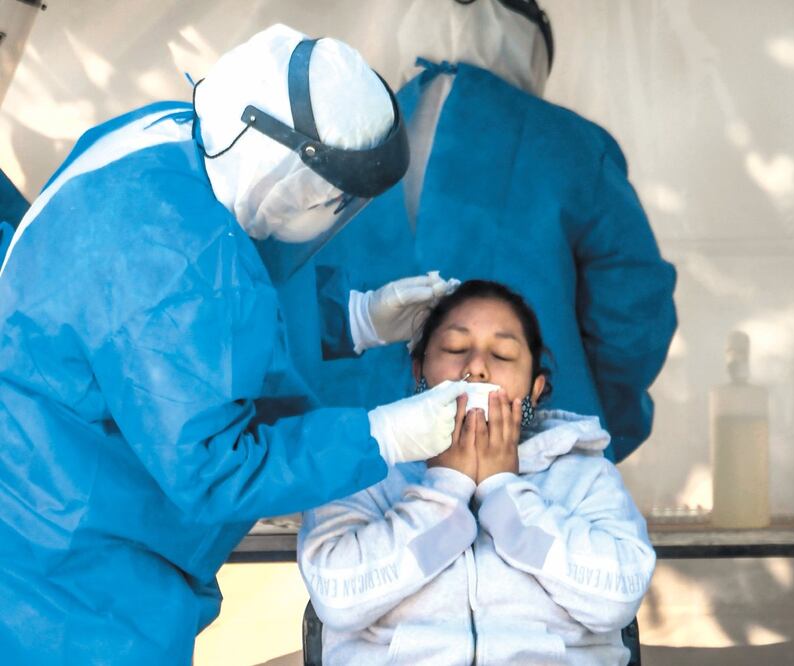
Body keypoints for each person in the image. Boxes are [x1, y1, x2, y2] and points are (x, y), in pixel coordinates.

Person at [0, 25, 468, 664]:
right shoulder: (171, 261)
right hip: (71, 565)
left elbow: (227, 312)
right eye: (332, 197)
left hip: (65, 492)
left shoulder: (179, 140)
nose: (334, 211)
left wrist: (354, 318)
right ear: (281, 162)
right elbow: (214, 467)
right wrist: (379, 438)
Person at [314, 0, 678, 462]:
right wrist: (593, 421)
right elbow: (633, 314)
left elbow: (292, 304)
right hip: (534, 458)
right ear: (529, 46)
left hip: (360, 457)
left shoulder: (340, 150)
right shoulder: (570, 146)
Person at [300, 280, 656, 665]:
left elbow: (617, 597)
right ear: (419, 371)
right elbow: (337, 599)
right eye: (455, 349)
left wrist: (503, 492)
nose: (476, 368)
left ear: (534, 391)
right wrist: (445, 490)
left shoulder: (585, 474)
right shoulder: (367, 467)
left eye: (502, 354)